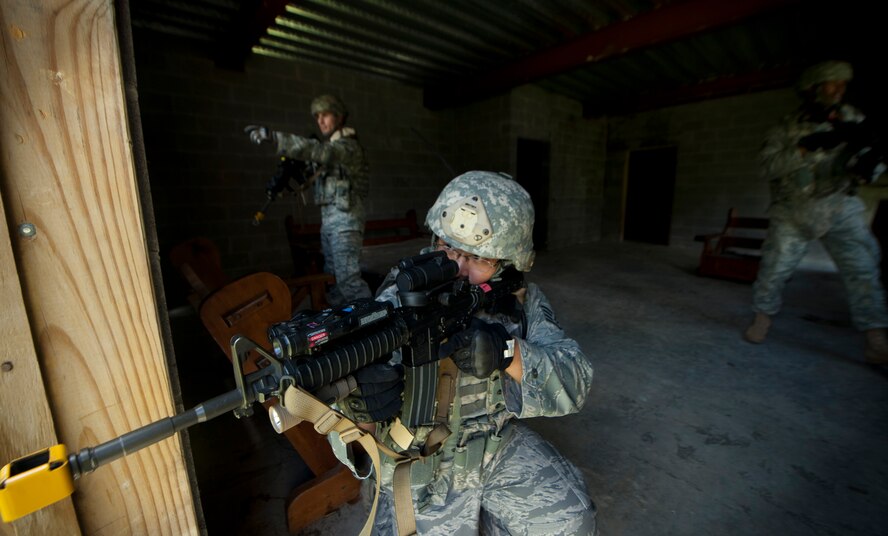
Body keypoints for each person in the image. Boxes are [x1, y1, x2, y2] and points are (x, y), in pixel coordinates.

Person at [332, 171, 598, 534]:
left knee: (572, 520)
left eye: (478, 257)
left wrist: (507, 353)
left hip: (493, 444)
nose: (457, 268)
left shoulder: (519, 301)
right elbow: (352, 438)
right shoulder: (400, 297)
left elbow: (576, 380)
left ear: (508, 262)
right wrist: (359, 413)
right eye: (448, 248)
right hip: (420, 462)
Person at [744, 60, 888, 364]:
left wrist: (869, 163)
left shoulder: (854, 119)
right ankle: (762, 318)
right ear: (812, 89)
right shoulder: (786, 127)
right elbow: (767, 166)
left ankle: (876, 337)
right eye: (831, 83)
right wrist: (804, 148)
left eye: (843, 84)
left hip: (839, 205)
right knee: (774, 269)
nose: (839, 90)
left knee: (863, 269)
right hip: (793, 208)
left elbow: (870, 162)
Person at [245, 94, 372, 305]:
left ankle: (376, 321)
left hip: (345, 223)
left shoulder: (348, 147)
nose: (320, 121)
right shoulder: (329, 153)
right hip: (330, 225)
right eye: (317, 116)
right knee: (333, 282)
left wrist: (276, 138)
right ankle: (344, 326)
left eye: (326, 115)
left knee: (349, 282)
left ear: (339, 118)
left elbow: (319, 151)